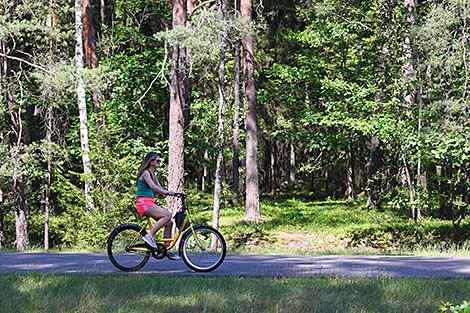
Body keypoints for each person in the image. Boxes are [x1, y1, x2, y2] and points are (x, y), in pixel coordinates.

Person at [136, 152, 181, 260]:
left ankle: (166, 250)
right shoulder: (146, 172)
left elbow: (161, 190)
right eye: (158, 161)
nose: (159, 163)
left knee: (169, 222)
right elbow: (152, 186)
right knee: (167, 215)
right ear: (151, 162)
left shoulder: (153, 174)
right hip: (143, 202)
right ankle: (149, 236)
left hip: (149, 202)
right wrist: (166, 192)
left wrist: (175, 194)